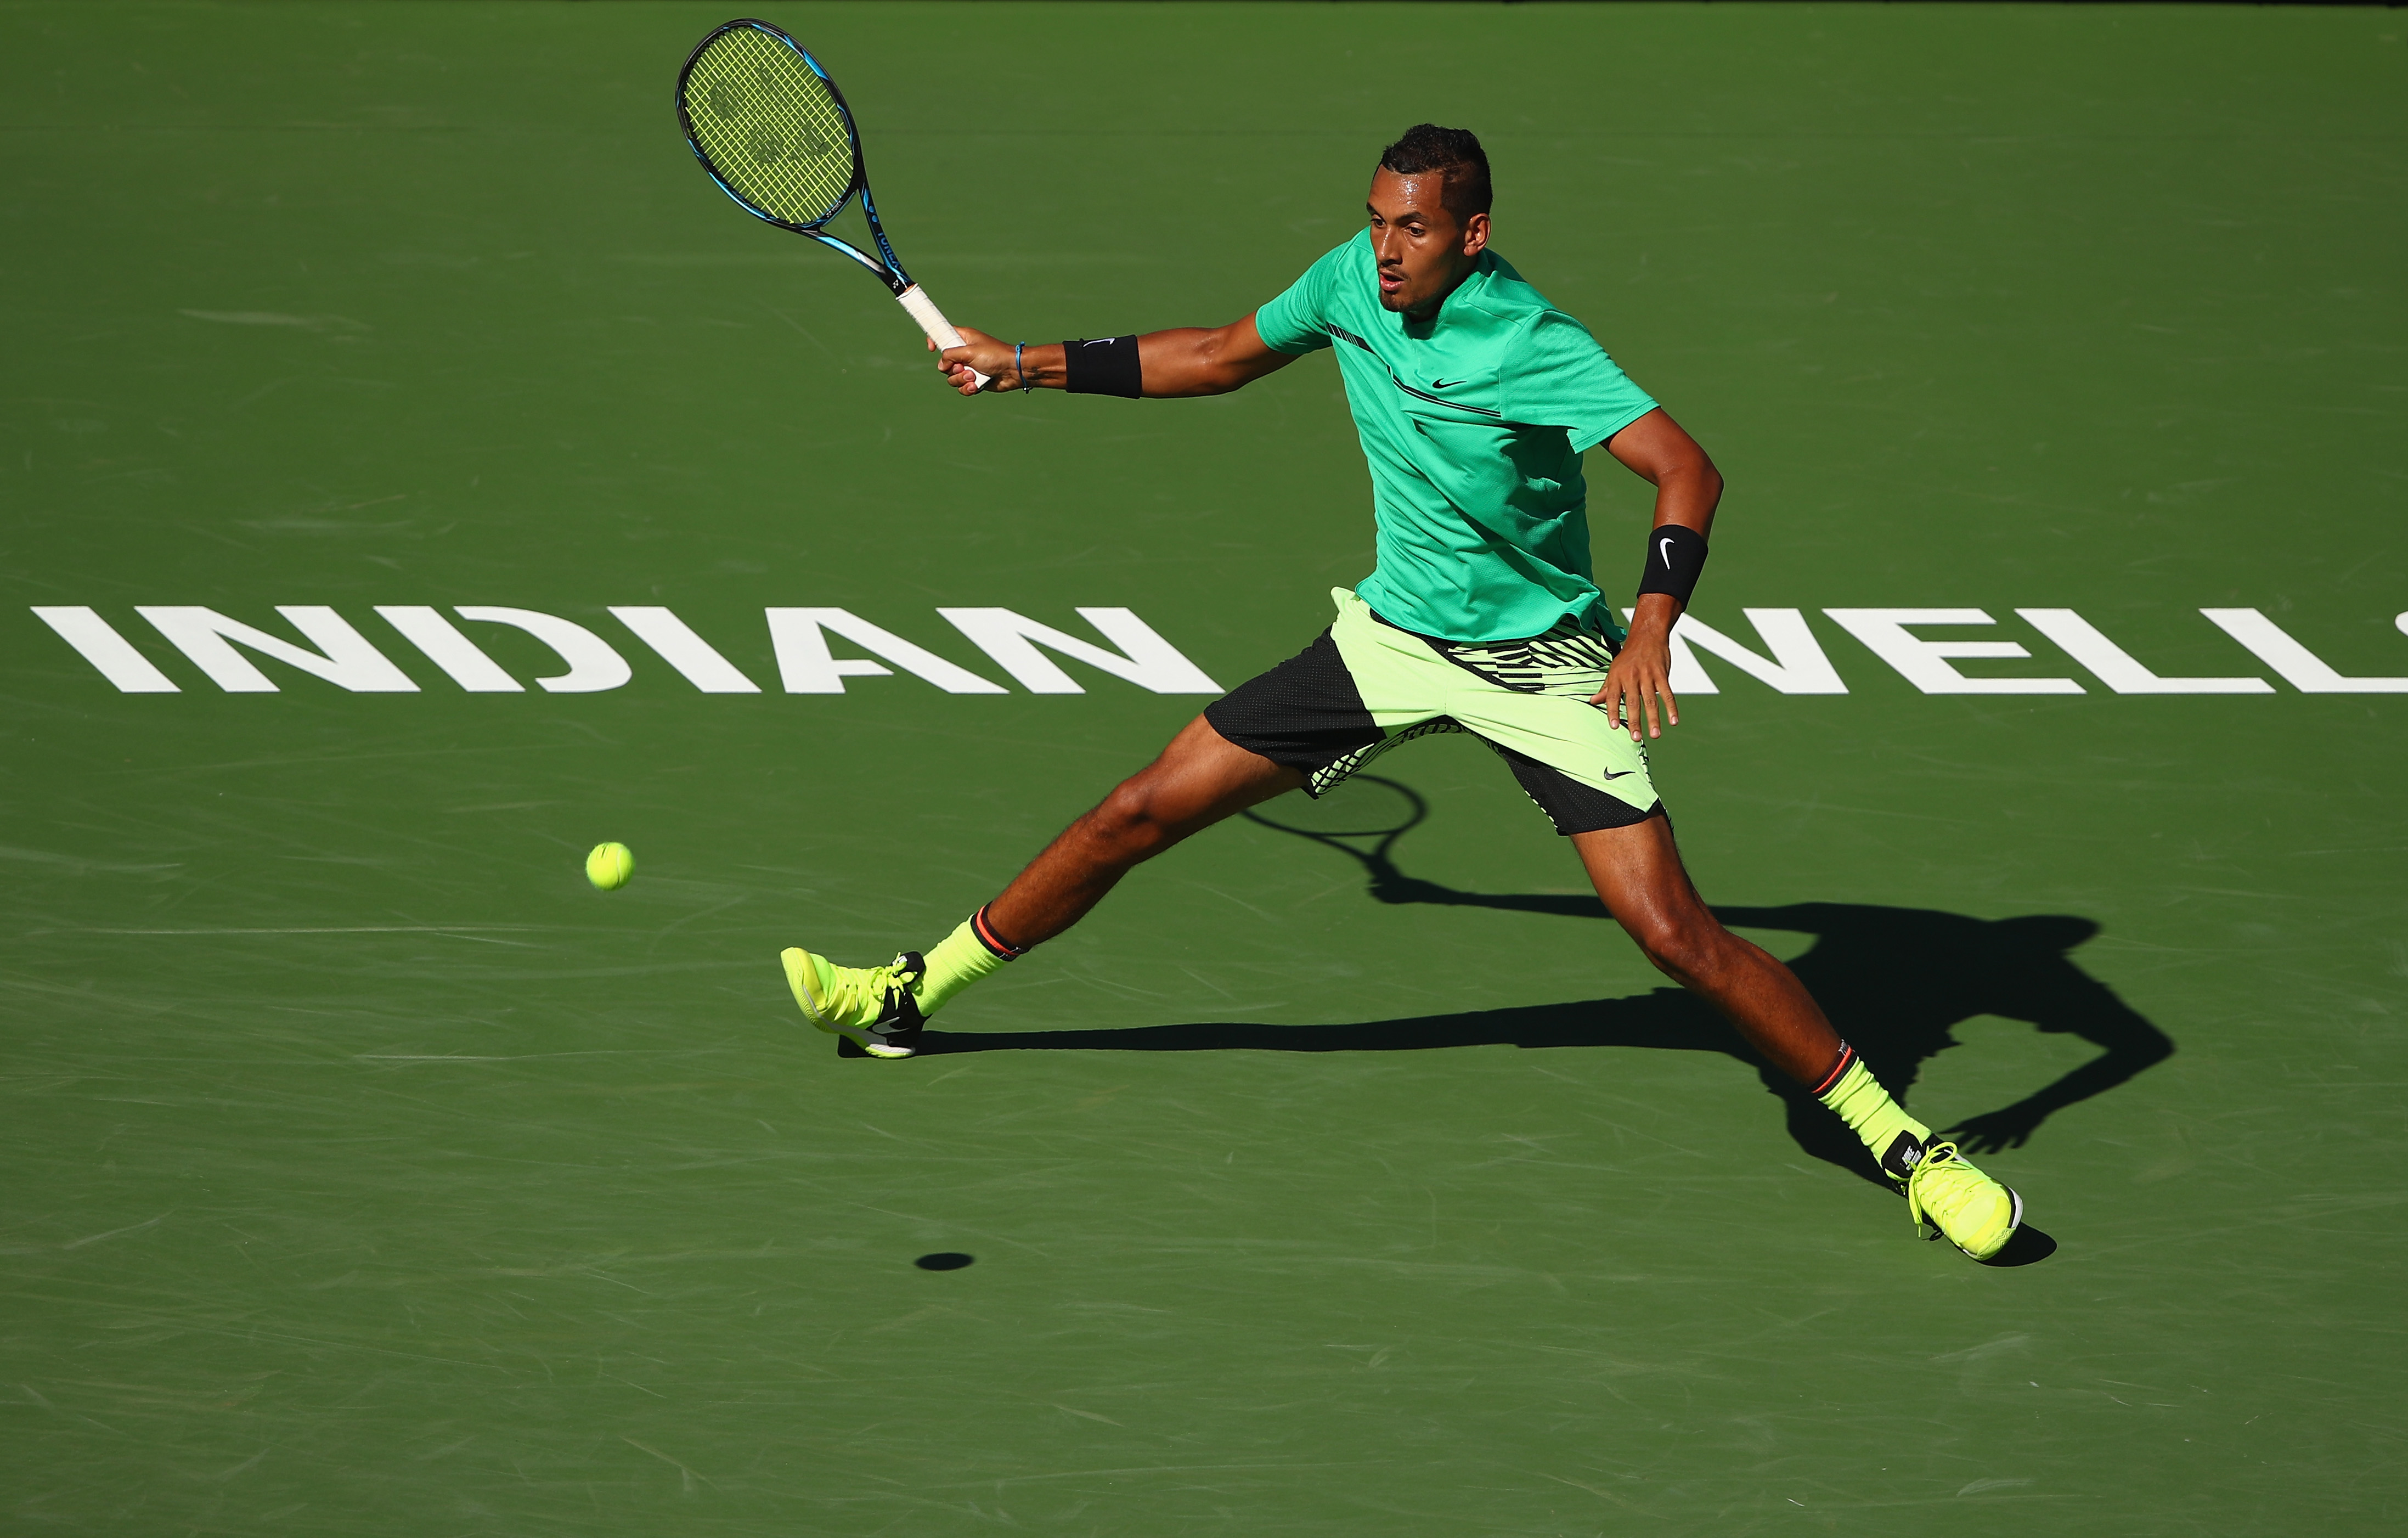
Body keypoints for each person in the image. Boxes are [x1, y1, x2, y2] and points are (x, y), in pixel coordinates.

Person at [779, 125, 2024, 1261]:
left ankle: (1904, 1146)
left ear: (1470, 236)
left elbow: (1685, 469)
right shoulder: (1347, 281)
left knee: (1672, 936)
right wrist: (1026, 364)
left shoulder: (1533, 343)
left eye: (1412, 228)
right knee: (1136, 809)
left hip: (1539, 669)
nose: (1383, 248)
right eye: (1375, 219)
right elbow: (1217, 356)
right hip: (1390, 641)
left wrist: (1647, 630)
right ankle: (908, 991)